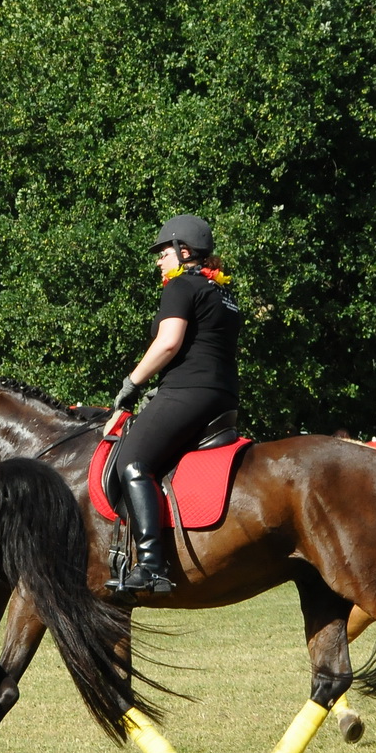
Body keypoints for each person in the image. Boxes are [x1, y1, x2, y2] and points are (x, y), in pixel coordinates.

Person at [106, 214, 242, 597]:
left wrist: (132, 385)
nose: (159, 260)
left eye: (164, 252)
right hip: (223, 397)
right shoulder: (223, 294)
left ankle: (151, 566)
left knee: (133, 462)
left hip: (188, 392)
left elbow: (168, 343)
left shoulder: (181, 286)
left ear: (184, 252)